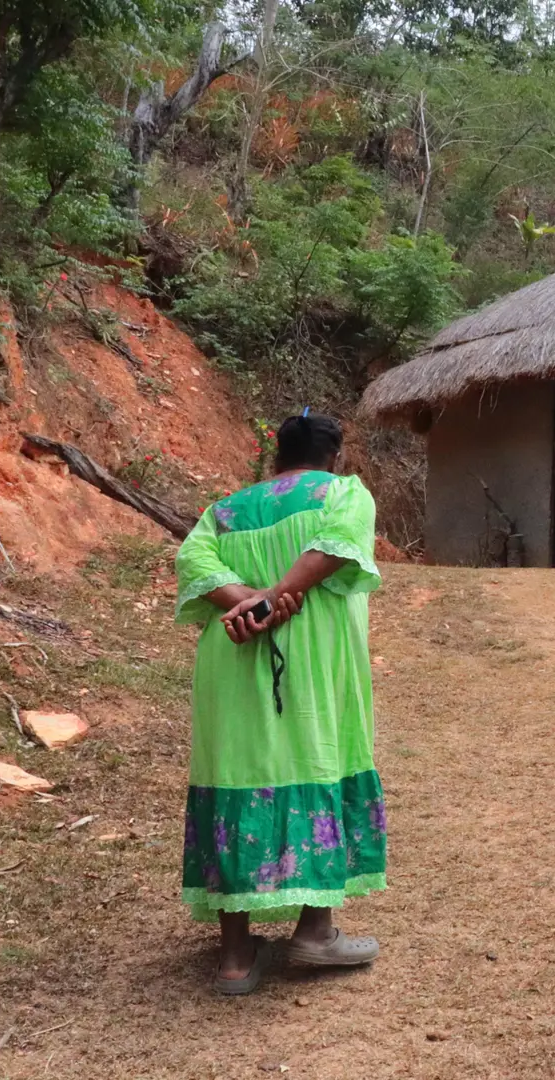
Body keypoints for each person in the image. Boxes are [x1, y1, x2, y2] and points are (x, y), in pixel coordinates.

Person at [172, 412, 387, 994]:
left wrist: (249, 605)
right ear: (334, 457)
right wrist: (273, 601)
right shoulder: (344, 493)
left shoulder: (224, 510)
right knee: (318, 761)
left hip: (232, 663)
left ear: (275, 460)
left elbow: (194, 564)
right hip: (317, 664)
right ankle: (315, 932)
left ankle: (237, 958)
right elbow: (336, 546)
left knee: (235, 774)